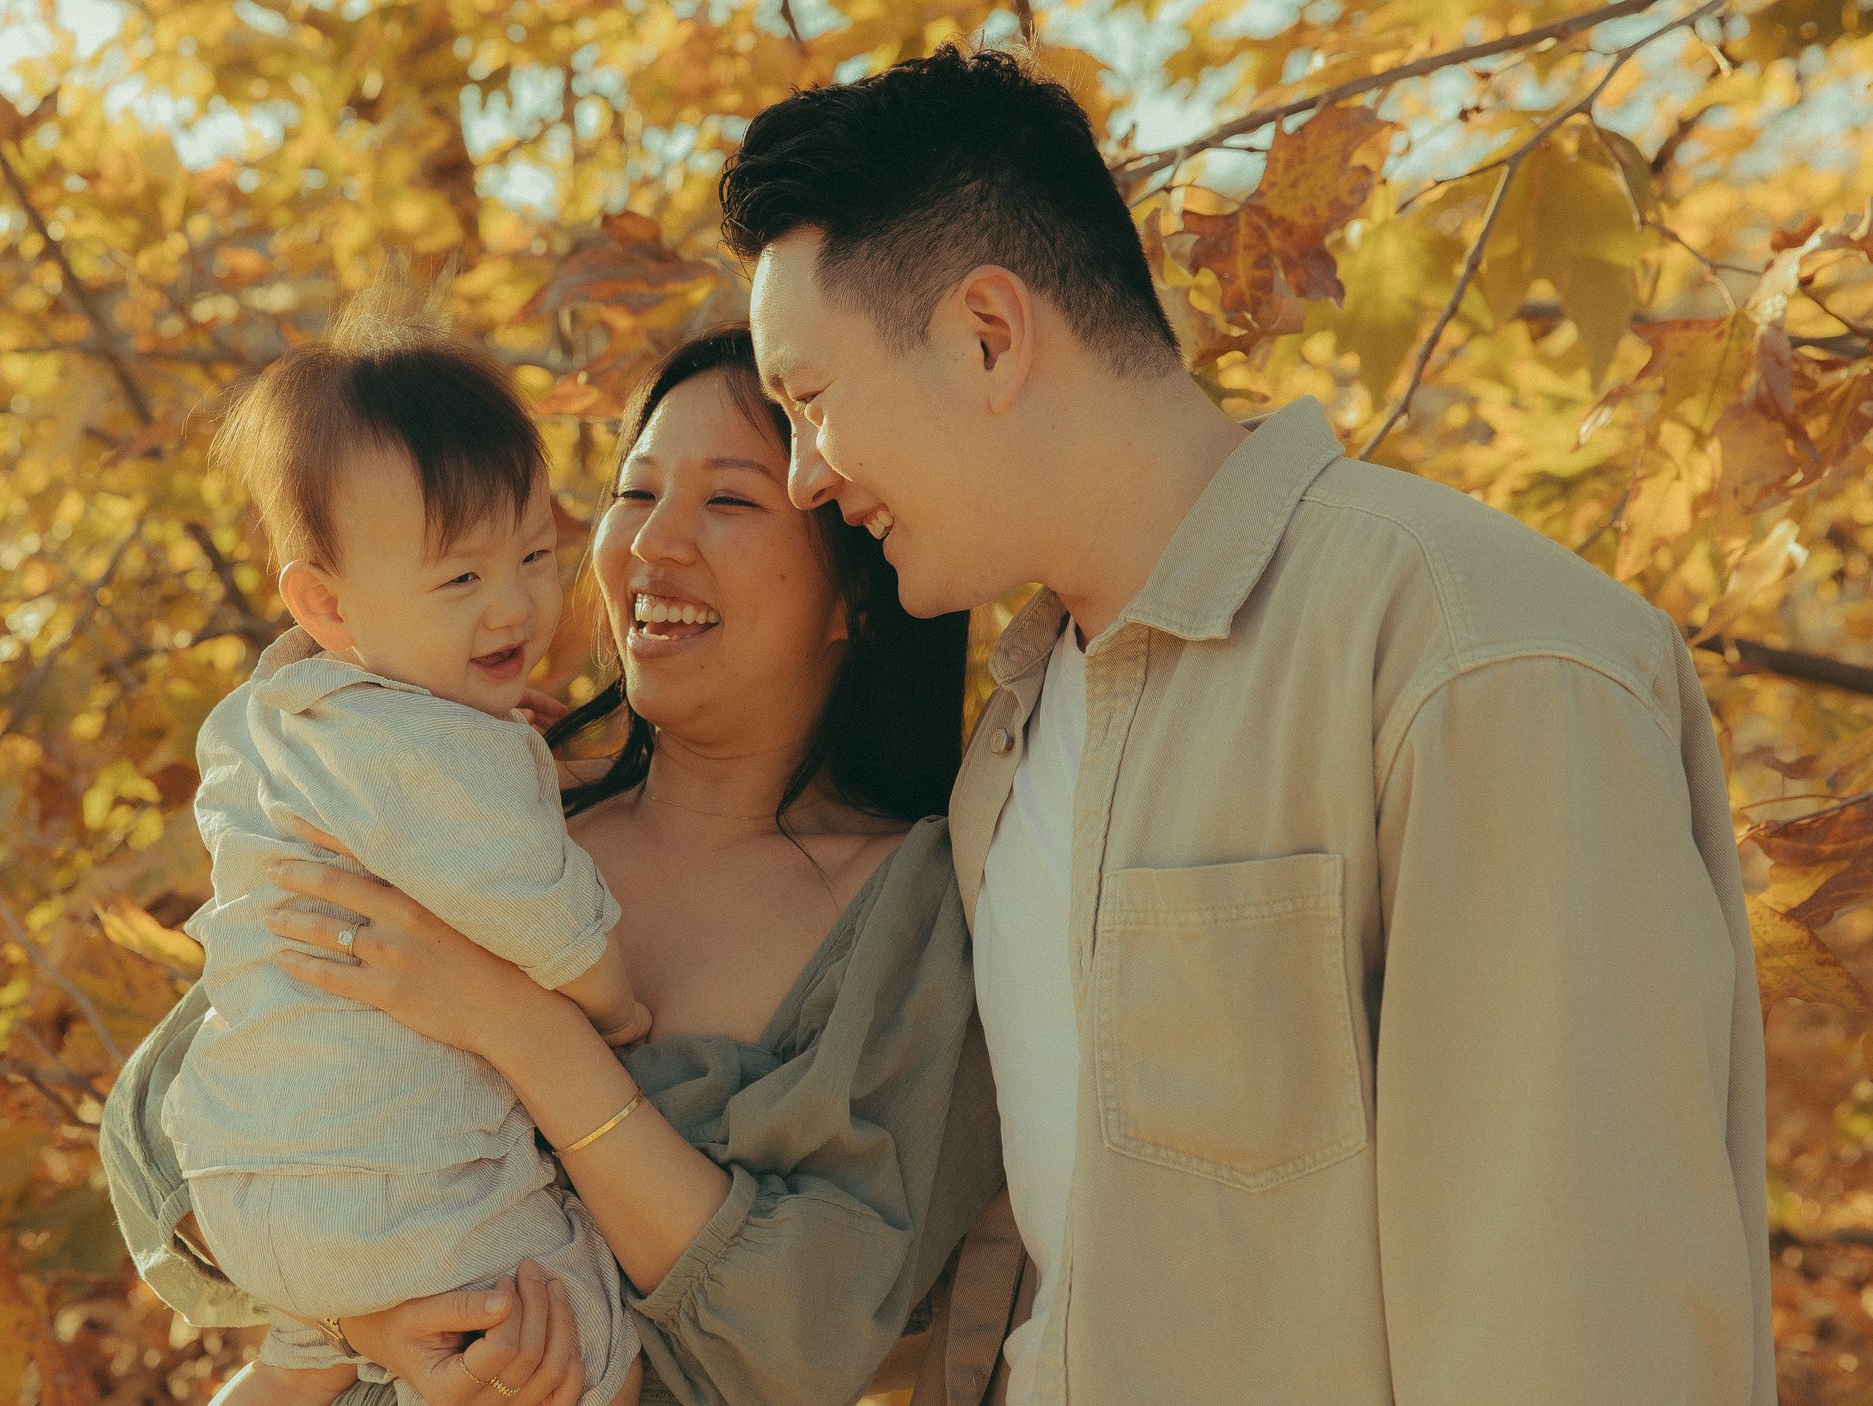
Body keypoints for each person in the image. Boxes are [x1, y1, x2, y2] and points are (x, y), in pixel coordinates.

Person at [720, 42, 1775, 1406]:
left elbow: (1585, 1320)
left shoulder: (1476, 656)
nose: (805, 475)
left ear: (989, 333)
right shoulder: (1011, 749)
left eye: (809, 400)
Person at [103, 326, 1002, 1406]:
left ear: (856, 580)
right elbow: (169, 1120)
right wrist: (368, 1309)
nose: (648, 544)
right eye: (634, 491)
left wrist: (523, 1031)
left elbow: (806, 1329)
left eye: (728, 500)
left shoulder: (914, 910)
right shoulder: (475, 804)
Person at [151, 308, 650, 1406]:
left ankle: (304, 1357)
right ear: (326, 602)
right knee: (590, 1341)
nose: (513, 602)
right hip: (391, 1189)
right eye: (458, 582)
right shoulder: (428, 748)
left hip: (240, 1178)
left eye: (532, 554)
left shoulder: (273, 714)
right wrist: (612, 1001)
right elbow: (541, 917)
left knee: (311, 1346)